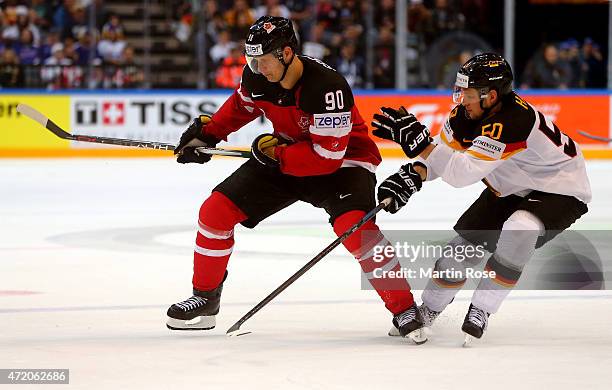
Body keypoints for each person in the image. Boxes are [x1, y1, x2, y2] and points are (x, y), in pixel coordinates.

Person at [166, 16, 422, 341]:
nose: (257, 68)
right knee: (215, 212)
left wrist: (277, 155)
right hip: (288, 156)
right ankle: (205, 298)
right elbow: (242, 107)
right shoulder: (258, 77)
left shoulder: (327, 87)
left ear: (287, 53)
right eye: (252, 60)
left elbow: (327, 158)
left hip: (344, 163)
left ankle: (404, 309)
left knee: (356, 227)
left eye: (263, 60)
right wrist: (208, 134)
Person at [372, 53, 591, 341]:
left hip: (561, 188)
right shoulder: (465, 114)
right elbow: (443, 151)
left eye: (469, 94)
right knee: (456, 255)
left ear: (491, 96)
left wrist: (421, 145)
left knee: (520, 228)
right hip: (512, 187)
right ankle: (430, 308)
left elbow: (462, 174)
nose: (462, 100)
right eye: (461, 91)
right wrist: (415, 174)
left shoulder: (512, 120)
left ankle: (483, 308)